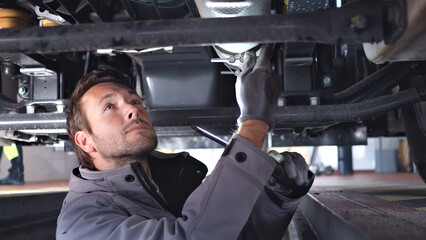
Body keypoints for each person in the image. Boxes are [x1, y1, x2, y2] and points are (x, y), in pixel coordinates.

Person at [56, 45, 314, 239]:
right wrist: (254, 123)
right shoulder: (82, 223)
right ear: (86, 142)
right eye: (110, 106)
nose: (132, 109)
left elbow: (234, 235)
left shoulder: (167, 185)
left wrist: (277, 195)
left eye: (134, 101)